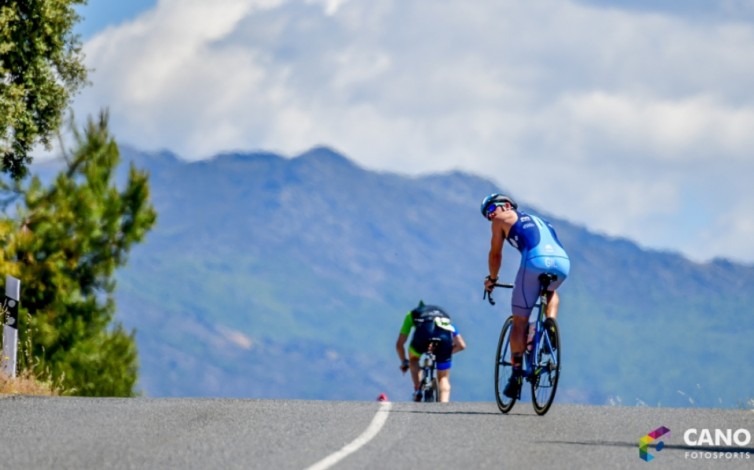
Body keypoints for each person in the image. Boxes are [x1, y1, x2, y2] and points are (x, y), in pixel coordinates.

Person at [480, 193, 570, 400]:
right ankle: (550, 323)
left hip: (535, 262)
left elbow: (495, 254)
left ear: (506, 206)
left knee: (519, 319)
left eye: (491, 211)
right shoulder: (542, 220)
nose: (491, 216)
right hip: (562, 263)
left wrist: (492, 279)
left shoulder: (501, 219)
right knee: (550, 291)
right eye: (488, 215)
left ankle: (516, 373)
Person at [395, 301, 466, 402]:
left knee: (414, 359)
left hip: (422, 334)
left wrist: (404, 361)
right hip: (444, 338)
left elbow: (399, 344)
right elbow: (462, 345)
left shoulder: (412, 314)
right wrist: (444, 353)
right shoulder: (444, 315)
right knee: (443, 378)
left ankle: (417, 390)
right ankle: (443, 407)